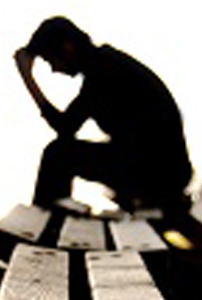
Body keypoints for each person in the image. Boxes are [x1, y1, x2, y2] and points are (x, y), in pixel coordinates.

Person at [14, 16, 192, 215]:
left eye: (50, 60)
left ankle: (40, 225)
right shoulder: (104, 65)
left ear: (67, 48)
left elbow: (65, 128)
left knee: (58, 155)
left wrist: (28, 78)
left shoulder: (103, 72)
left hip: (161, 174)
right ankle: (49, 220)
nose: (54, 70)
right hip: (163, 169)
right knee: (61, 153)